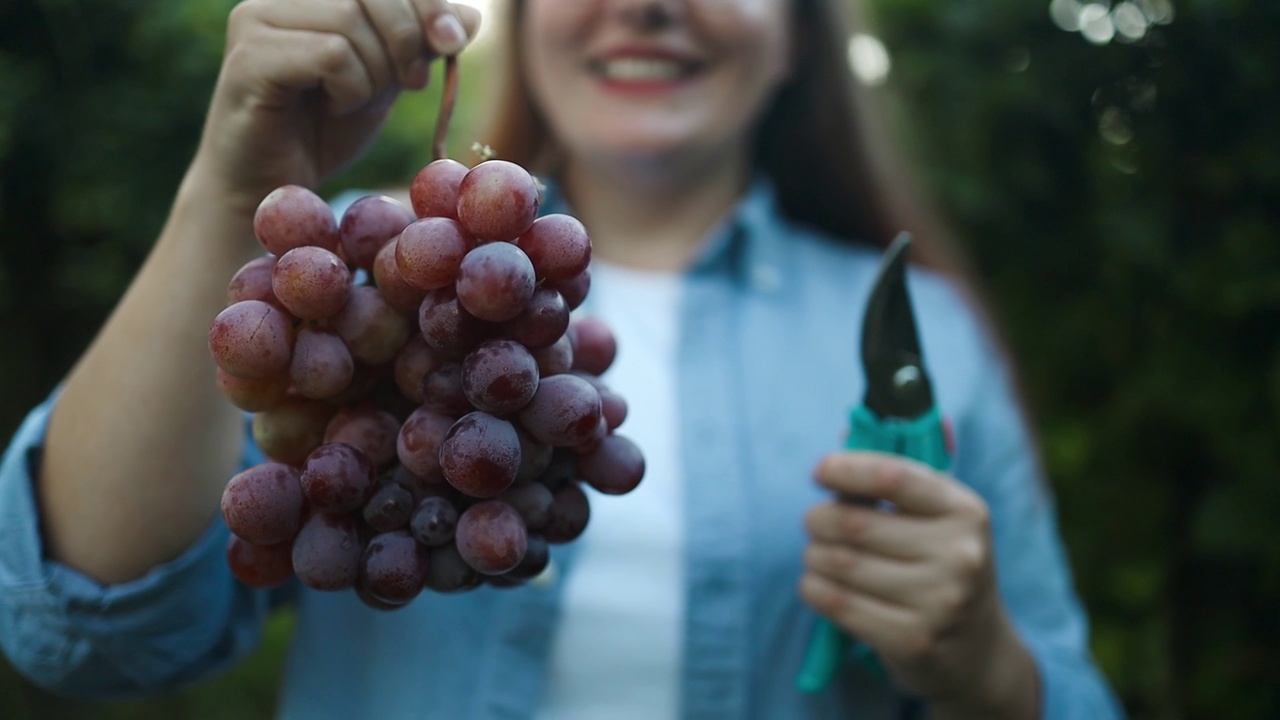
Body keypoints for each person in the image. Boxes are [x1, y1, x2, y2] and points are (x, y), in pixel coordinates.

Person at [0, 0, 1124, 718]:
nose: (646, 6)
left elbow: (1069, 696)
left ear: (798, 32)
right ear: (525, 21)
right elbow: (86, 637)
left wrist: (990, 676)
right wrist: (235, 193)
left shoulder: (924, 329)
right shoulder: (359, 282)